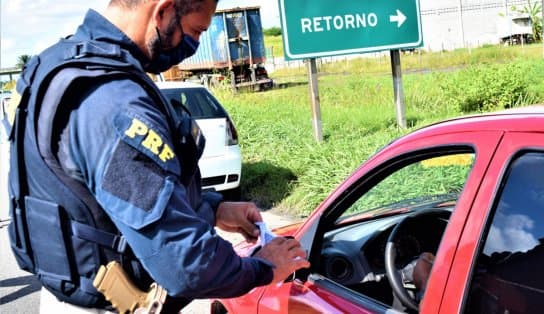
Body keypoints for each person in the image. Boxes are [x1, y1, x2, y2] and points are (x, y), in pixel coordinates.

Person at [5, 0, 309, 312]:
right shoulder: (113, 101)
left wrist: (213, 209)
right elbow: (186, 265)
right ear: (163, 10)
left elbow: (102, 196)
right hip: (113, 304)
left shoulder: (55, 65)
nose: (195, 45)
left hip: (73, 290)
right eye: (194, 31)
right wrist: (263, 268)